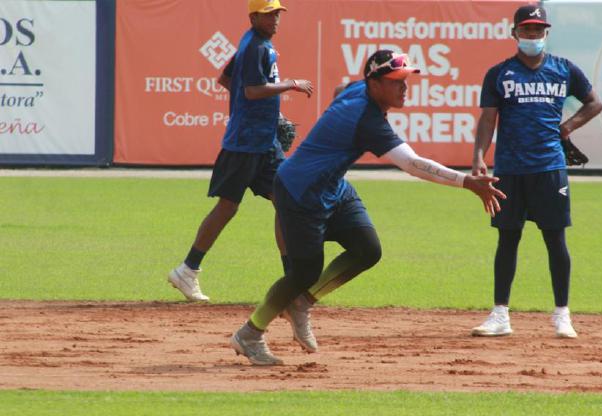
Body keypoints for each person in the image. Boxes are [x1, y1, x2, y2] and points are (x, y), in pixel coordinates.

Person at [230, 49, 506, 365]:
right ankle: (249, 334)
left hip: (334, 187)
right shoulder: (367, 120)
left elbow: (339, 91)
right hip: (300, 191)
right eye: (396, 81)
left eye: (406, 80)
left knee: (367, 249)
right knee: (305, 271)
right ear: (374, 82)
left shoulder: (357, 89)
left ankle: (301, 304)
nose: (404, 87)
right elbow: (413, 164)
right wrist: (467, 182)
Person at [470, 5, 602, 339]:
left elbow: (594, 103)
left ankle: (562, 315)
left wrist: (568, 126)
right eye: (527, 30)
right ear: (514, 33)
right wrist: (478, 157)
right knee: (508, 237)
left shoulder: (563, 69)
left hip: (549, 167)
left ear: (547, 33)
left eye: (539, 30)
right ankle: (500, 314)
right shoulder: (499, 73)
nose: (533, 36)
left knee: (555, 238)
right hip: (510, 168)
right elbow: (488, 118)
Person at [168, 0, 313, 302]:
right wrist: (290, 85)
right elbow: (251, 90)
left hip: (264, 141)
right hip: (245, 143)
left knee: (284, 202)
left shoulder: (256, 44)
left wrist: (264, 114)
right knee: (227, 207)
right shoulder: (255, 47)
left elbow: (225, 80)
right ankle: (187, 270)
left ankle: (292, 283)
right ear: (253, 17)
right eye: (268, 14)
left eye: (277, 13)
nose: (275, 19)